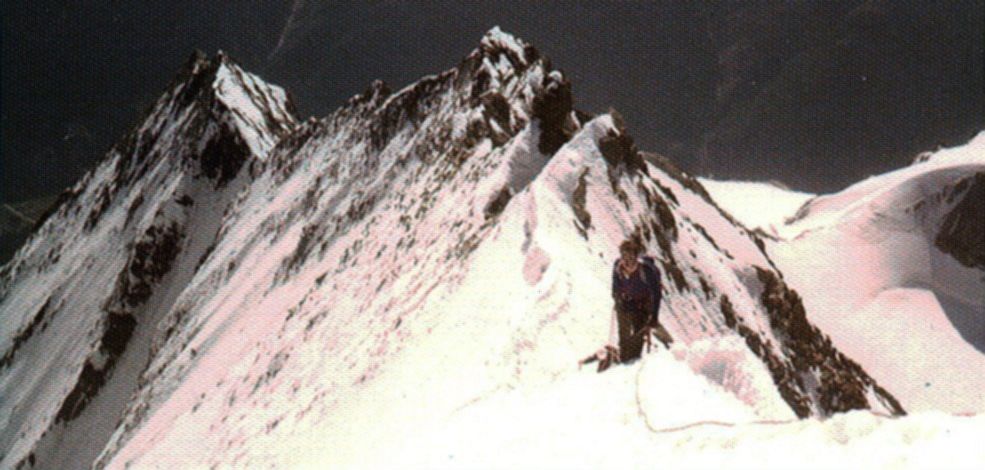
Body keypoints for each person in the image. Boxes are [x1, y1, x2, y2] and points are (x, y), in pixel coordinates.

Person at [609, 239, 671, 364]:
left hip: (643, 305)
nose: (628, 261)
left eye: (631, 258)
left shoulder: (647, 271)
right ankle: (624, 357)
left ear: (636, 257)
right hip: (626, 301)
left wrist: (653, 316)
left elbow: (656, 294)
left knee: (638, 332)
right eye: (625, 257)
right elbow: (615, 287)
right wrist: (618, 299)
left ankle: (633, 359)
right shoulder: (617, 267)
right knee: (623, 332)